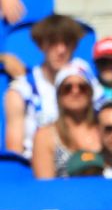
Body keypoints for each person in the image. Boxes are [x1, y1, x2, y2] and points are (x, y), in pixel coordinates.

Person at [3, 15, 89, 159]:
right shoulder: (22, 91)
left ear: (74, 46)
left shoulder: (85, 80)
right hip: (36, 172)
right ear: (41, 45)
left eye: (67, 43)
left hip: (80, 168)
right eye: (53, 43)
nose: (61, 50)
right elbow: (15, 154)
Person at [31, 66, 101, 180]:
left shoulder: (106, 129)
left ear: (90, 93)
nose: (75, 91)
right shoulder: (45, 136)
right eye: (67, 88)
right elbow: (44, 187)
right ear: (58, 96)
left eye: (82, 87)